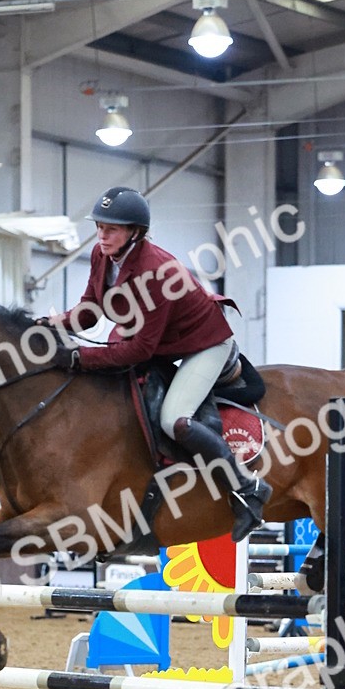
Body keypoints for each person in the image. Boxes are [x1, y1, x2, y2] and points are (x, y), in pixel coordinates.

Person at [43, 186, 271, 542]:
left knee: (174, 419)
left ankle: (247, 488)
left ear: (136, 231)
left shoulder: (158, 270)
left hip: (203, 343)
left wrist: (80, 357)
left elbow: (140, 351)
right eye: (100, 227)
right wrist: (50, 325)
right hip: (160, 339)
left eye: (112, 229)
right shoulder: (102, 257)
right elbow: (90, 311)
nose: (102, 235)